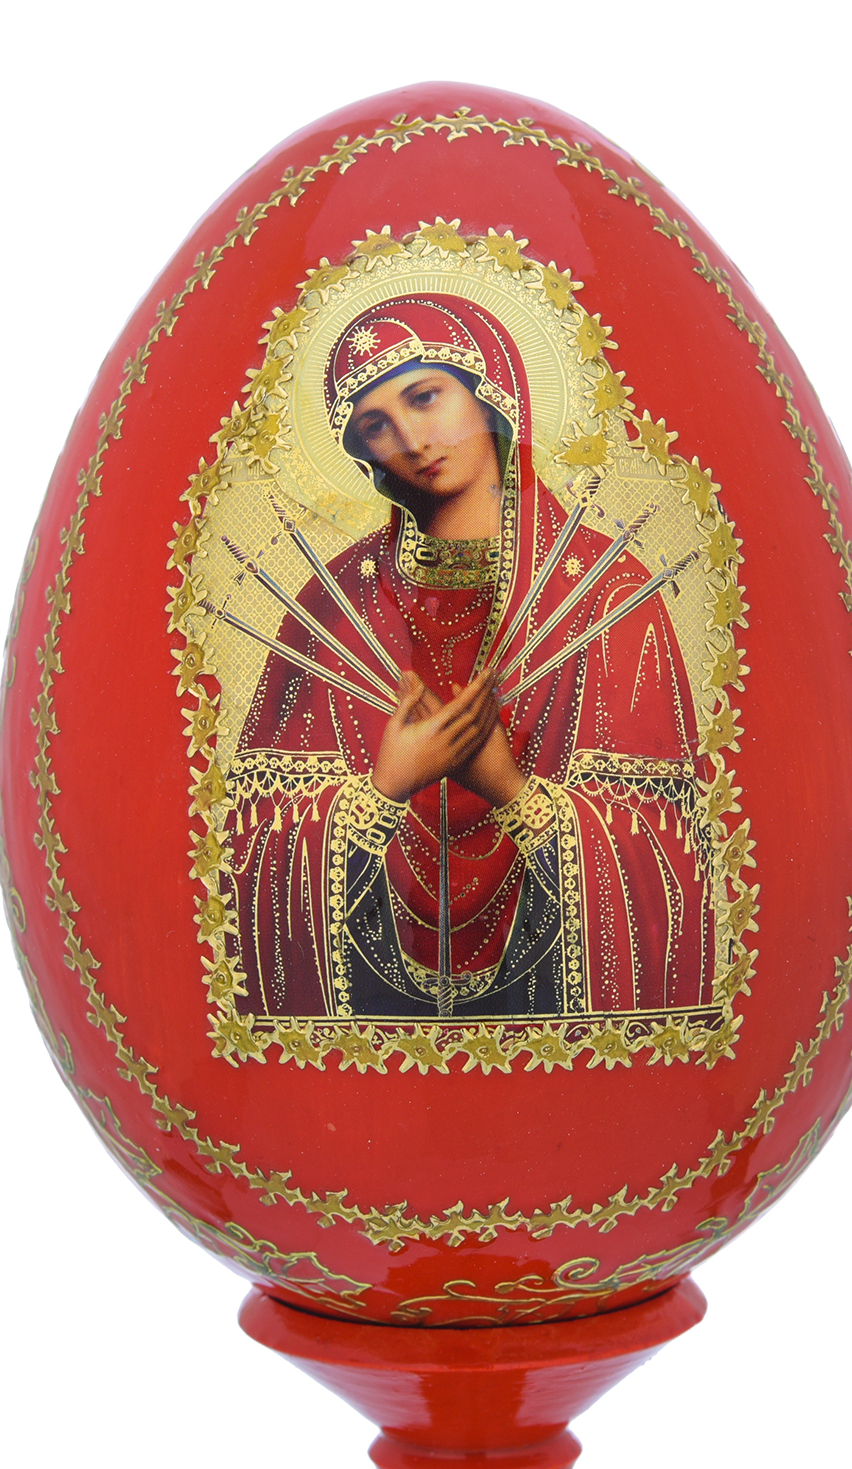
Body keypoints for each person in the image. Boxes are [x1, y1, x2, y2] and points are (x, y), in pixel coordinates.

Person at [227, 292, 713, 1021]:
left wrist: (510, 790)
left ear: (491, 394)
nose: (412, 438)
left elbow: (667, 858)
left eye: (425, 397)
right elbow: (253, 848)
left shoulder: (606, 594)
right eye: (375, 425)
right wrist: (385, 788)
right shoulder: (333, 607)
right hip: (369, 1022)